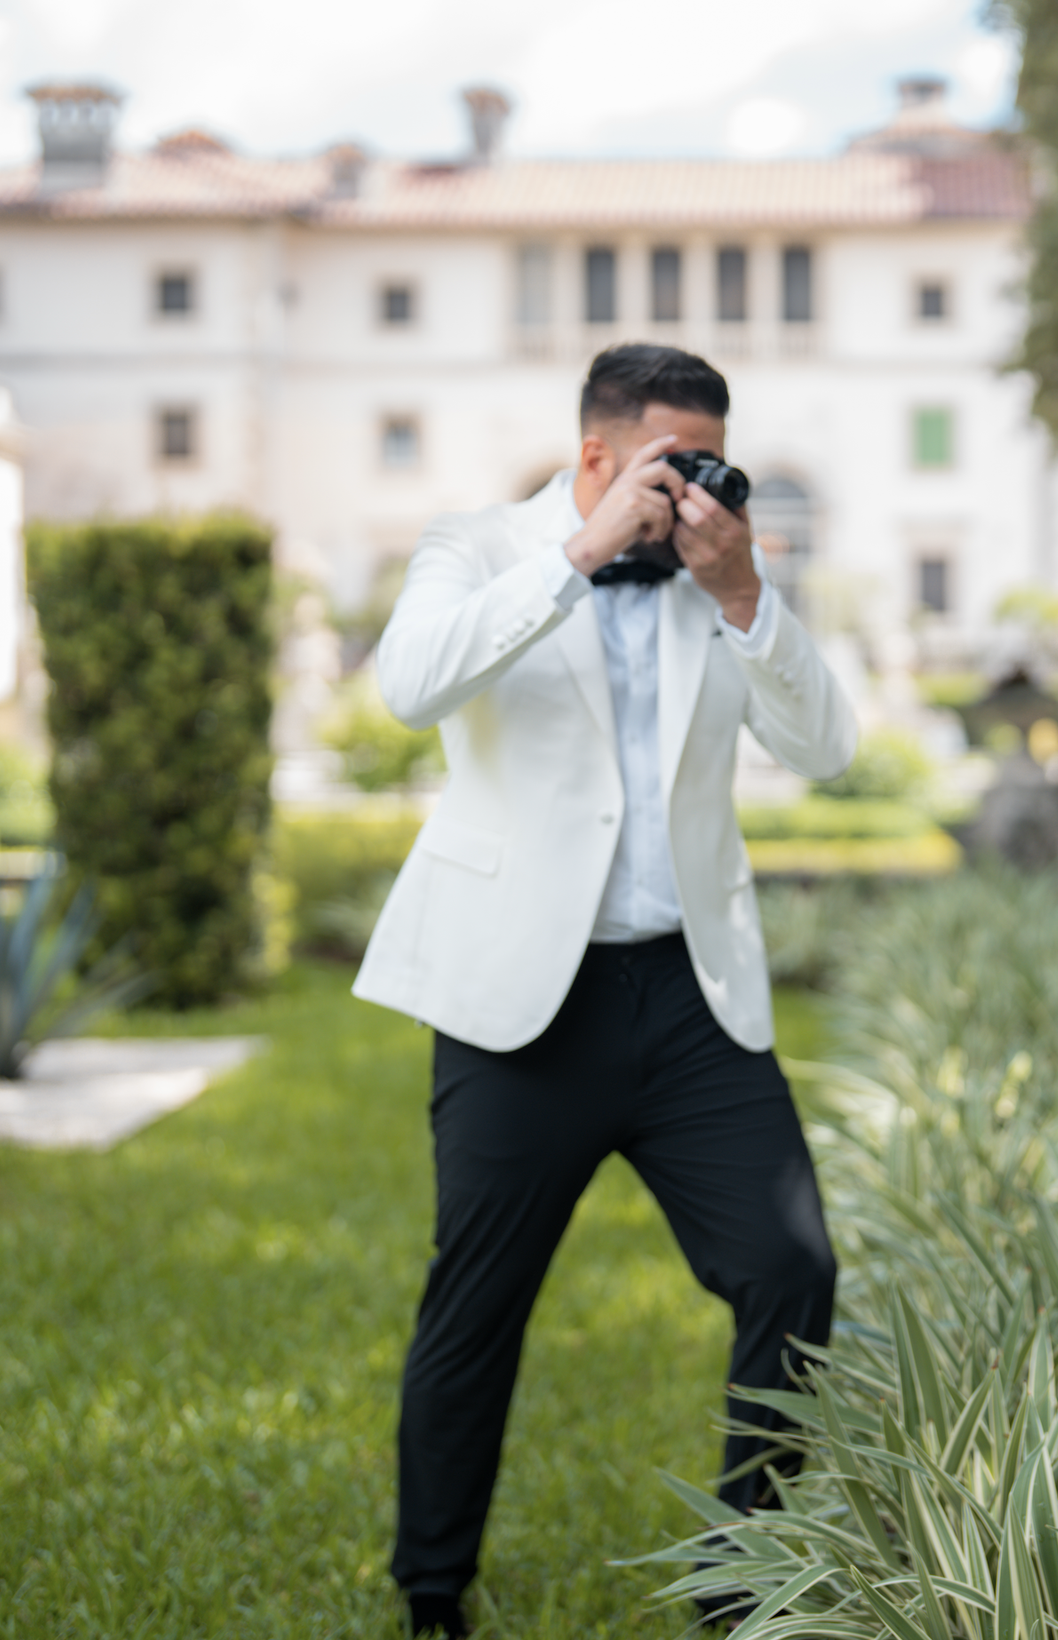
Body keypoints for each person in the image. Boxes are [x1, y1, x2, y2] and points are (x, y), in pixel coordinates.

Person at [351, 344, 858, 1639]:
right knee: (477, 1308)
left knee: (792, 1271)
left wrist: (743, 593)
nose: (696, 490)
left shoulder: (715, 569)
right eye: (671, 463)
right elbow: (411, 684)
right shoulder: (477, 547)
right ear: (596, 456)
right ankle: (432, 1596)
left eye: (711, 465)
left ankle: (742, 1576)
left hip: (692, 1000)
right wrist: (574, 559)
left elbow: (828, 747)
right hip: (524, 1007)